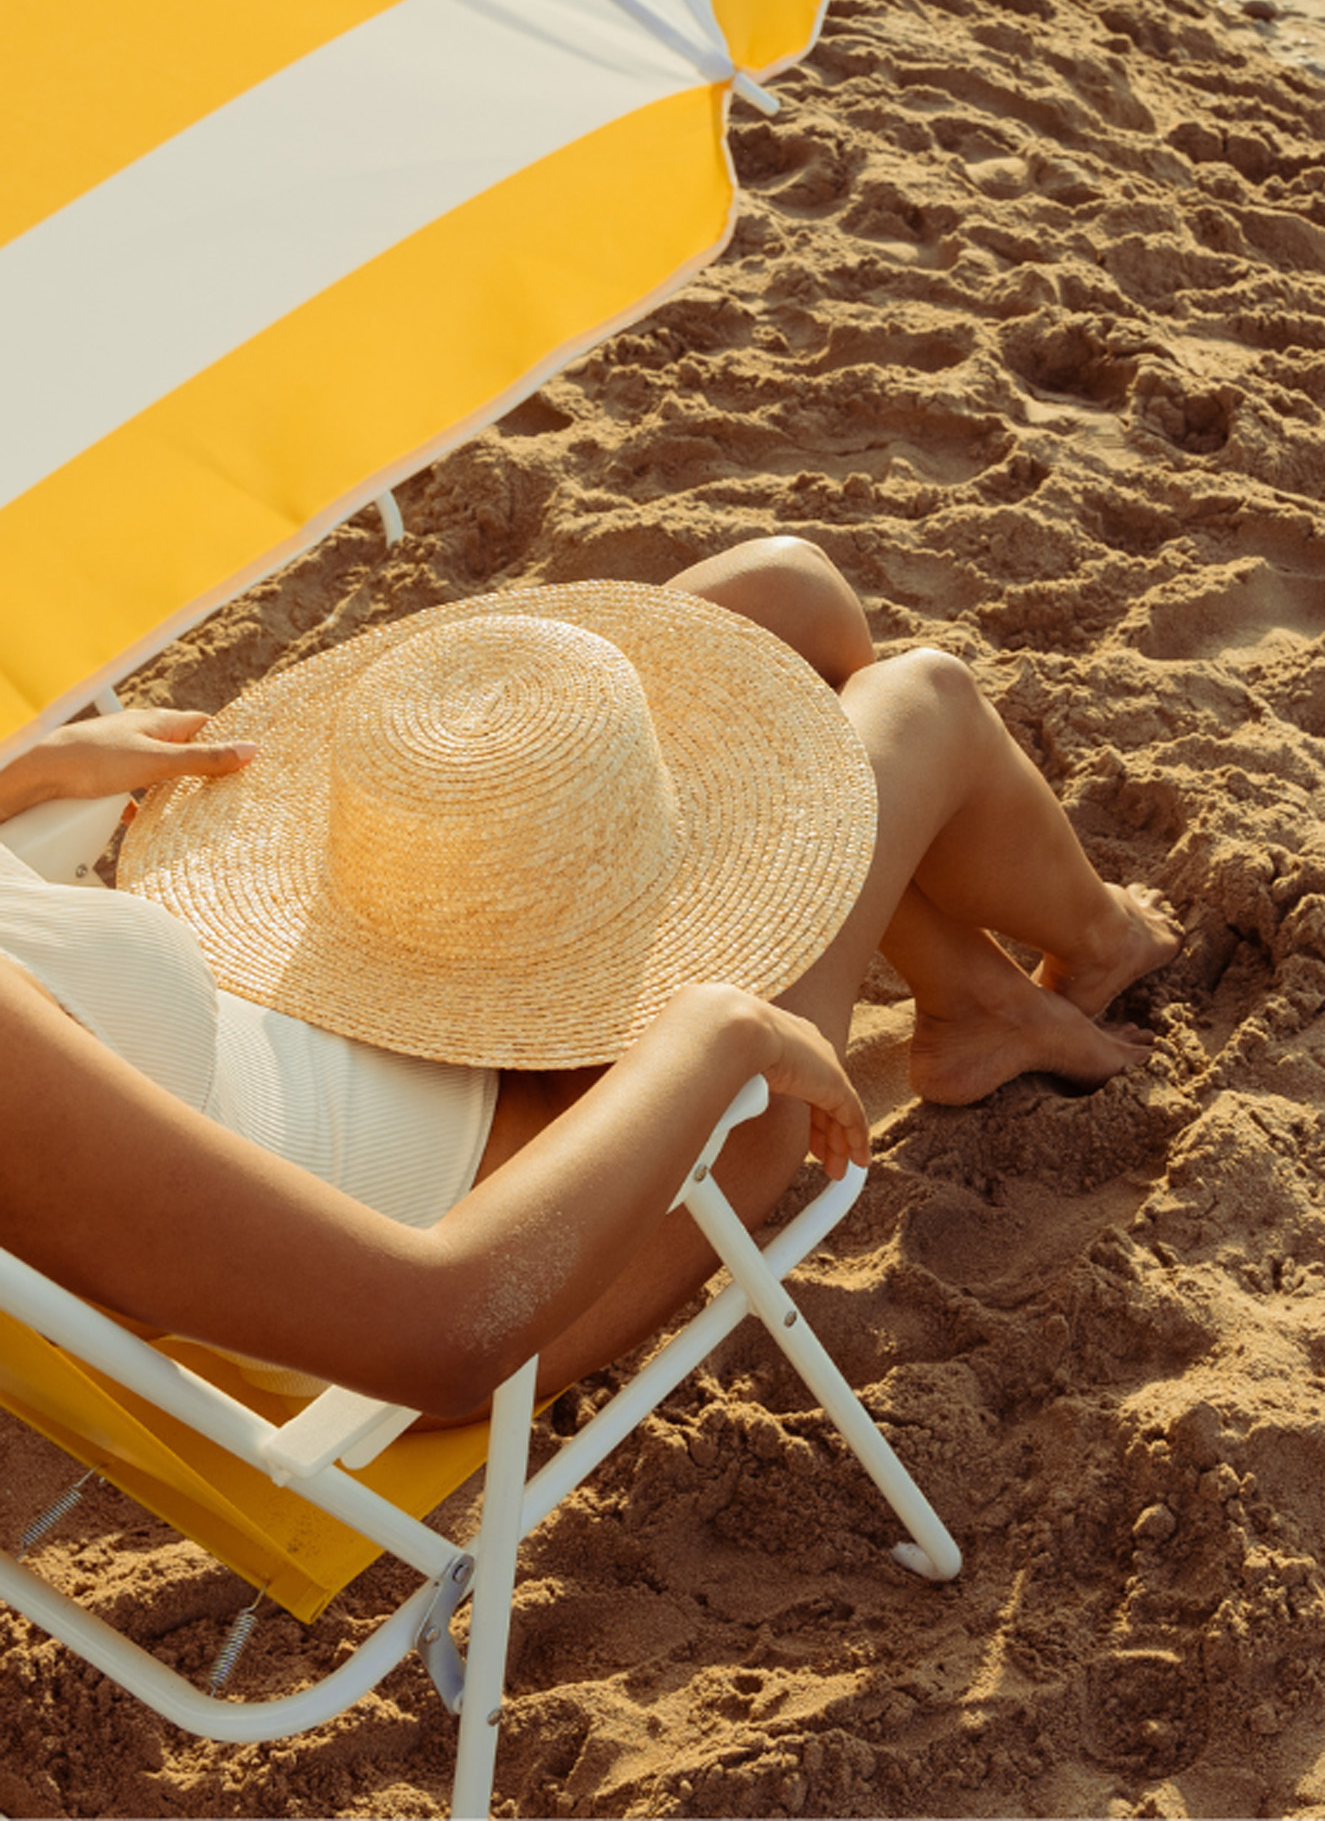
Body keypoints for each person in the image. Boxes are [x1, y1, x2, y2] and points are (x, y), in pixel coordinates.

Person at [0, 541, 1179, 1418]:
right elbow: (443, 1327)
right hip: (520, 1197)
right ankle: (1098, 943)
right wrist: (713, 1038)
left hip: (370, 1009)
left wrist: (23, 780)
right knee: (920, 704)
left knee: (785, 599)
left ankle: (973, 995)